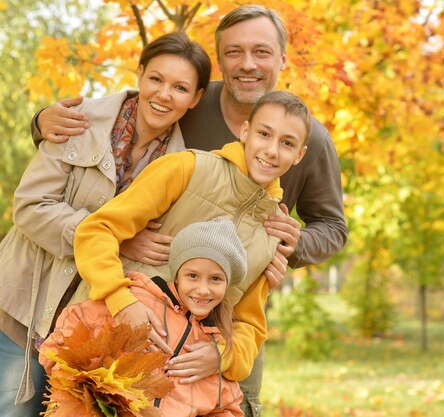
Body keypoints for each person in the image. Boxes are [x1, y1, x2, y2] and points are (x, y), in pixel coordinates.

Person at [32, 5, 349, 416]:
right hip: (122, 328)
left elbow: (327, 233)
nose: (247, 63)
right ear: (246, 132)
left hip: (204, 345)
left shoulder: (309, 148)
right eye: (234, 52)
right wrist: (42, 122)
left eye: (261, 52)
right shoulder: (190, 110)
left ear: (283, 58)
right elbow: (129, 113)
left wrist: (291, 247)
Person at [0, 32, 211, 417]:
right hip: (23, 309)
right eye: (156, 79)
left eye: (180, 88)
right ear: (140, 74)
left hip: (90, 330)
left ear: (195, 98)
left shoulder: (184, 167)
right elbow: (30, 207)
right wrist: (114, 239)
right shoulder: (78, 121)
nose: (164, 94)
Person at [72, 90, 311, 412]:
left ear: (299, 154)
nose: (271, 150)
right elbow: (96, 230)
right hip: (103, 361)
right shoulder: (186, 168)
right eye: (264, 134)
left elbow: (249, 324)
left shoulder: (274, 231)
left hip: (176, 395)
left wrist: (223, 355)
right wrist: (120, 300)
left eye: (287, 143)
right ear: (244, 132)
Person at [40, 219, 247, 417]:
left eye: (216, 279)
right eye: (192, 276)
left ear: (226, 285)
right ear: (177, 274)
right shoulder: (135, 302)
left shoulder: (213, 343)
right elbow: (62, 341)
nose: (203, 289)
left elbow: (227, 406)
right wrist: (81, 393)